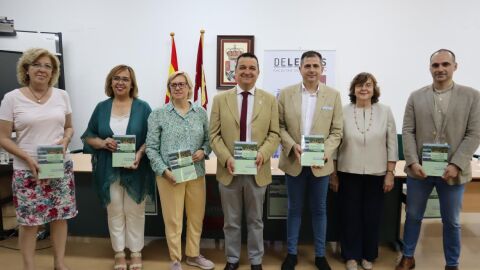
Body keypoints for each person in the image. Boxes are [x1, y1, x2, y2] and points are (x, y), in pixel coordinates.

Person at [397, 49, 480, 270]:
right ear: (430, 68)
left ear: (455, 66)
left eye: (445, 64)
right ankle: (408, 256)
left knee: (451, 221)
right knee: (413, 216)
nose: (440, 69)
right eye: (435, 65)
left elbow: (474, 133)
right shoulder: (416, 96)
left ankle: (452, 263)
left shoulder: (472, 96)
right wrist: (413, 162)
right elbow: (407, 131)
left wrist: (456, 164)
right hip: (419, 171)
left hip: (452, 172)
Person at [0, 48, 77, 270]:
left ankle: (59, 263)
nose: (42, 69)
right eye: (37, 64)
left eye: (48, 66)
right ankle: (28, 266)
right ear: (26, 68)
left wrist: (65, 141)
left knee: (60, 217)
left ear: (53, 71)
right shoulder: (12, 99)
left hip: (58, 166)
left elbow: (69, 127)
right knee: (29, 222)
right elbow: (3, 137)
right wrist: (28, 158)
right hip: (27, 169)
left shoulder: (62, 95)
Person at [209, 52, 280, 270]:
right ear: (235, 72)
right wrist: (226, 157)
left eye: (252, 68)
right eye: (242, 67)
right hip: (229, 169)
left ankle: (256, 260)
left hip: (257, 170)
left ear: (258, 72)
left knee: (255, 220)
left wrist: (263, 154)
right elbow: (214, 135)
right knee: (231, 221)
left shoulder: (269, 99)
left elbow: (274, 134)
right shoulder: (220, 99)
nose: (247, 71)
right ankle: (232, 259)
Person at [82, 65, 155, 270]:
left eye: (125, 79)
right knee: (114, 210)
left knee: (135, 210)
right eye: (116, 78)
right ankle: (119, 253)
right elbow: (89, 137)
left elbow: (152, 138)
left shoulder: (143, 107)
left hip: (136, 168)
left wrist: (140, 153)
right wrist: (104, 143)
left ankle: (136, 251)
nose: (120, 82)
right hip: (108, 169)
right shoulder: (101, 107)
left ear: (132, 84)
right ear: (110, 82)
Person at [278, 51, 342, 270]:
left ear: (322, 69)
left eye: (316, 66)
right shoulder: (286, 94)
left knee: (319, 210)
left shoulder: (333, 96)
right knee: (294, 209)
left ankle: (320, 255)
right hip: (294, 161)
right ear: (300, 69)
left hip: (320, 164)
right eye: (307, 66)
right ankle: (292, 254)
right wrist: (291, 145)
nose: (312, 70)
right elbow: (280, 126)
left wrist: (326, 151)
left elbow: (337, 131)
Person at [145, 71, 215, 270]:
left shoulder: (200, 112)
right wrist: (164, 171)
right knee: (173, 219)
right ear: (169, 88)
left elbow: (209, 140)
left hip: (196, 173)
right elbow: (150, 147)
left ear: (189, 88)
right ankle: (175, 259)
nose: (177, 87)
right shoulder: (158, 114)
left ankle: (193, 255)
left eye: (182, 84)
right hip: (170, 176)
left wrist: (203, 151)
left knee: (195, 217)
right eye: (173, 84)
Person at [330, 72, 397, 270]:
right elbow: (335, 144)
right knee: (349, 216)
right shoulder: (342, 111)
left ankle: (368, 255)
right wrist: (333, 174)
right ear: (353, 90)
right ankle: (351, 256)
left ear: (374, 89)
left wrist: (390, 173)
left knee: (372, 216)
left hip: (376, 173)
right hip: (348, 171)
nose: (364, 89)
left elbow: (392, 144)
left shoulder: (385, 111)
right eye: (359, 85)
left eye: (368, 85)